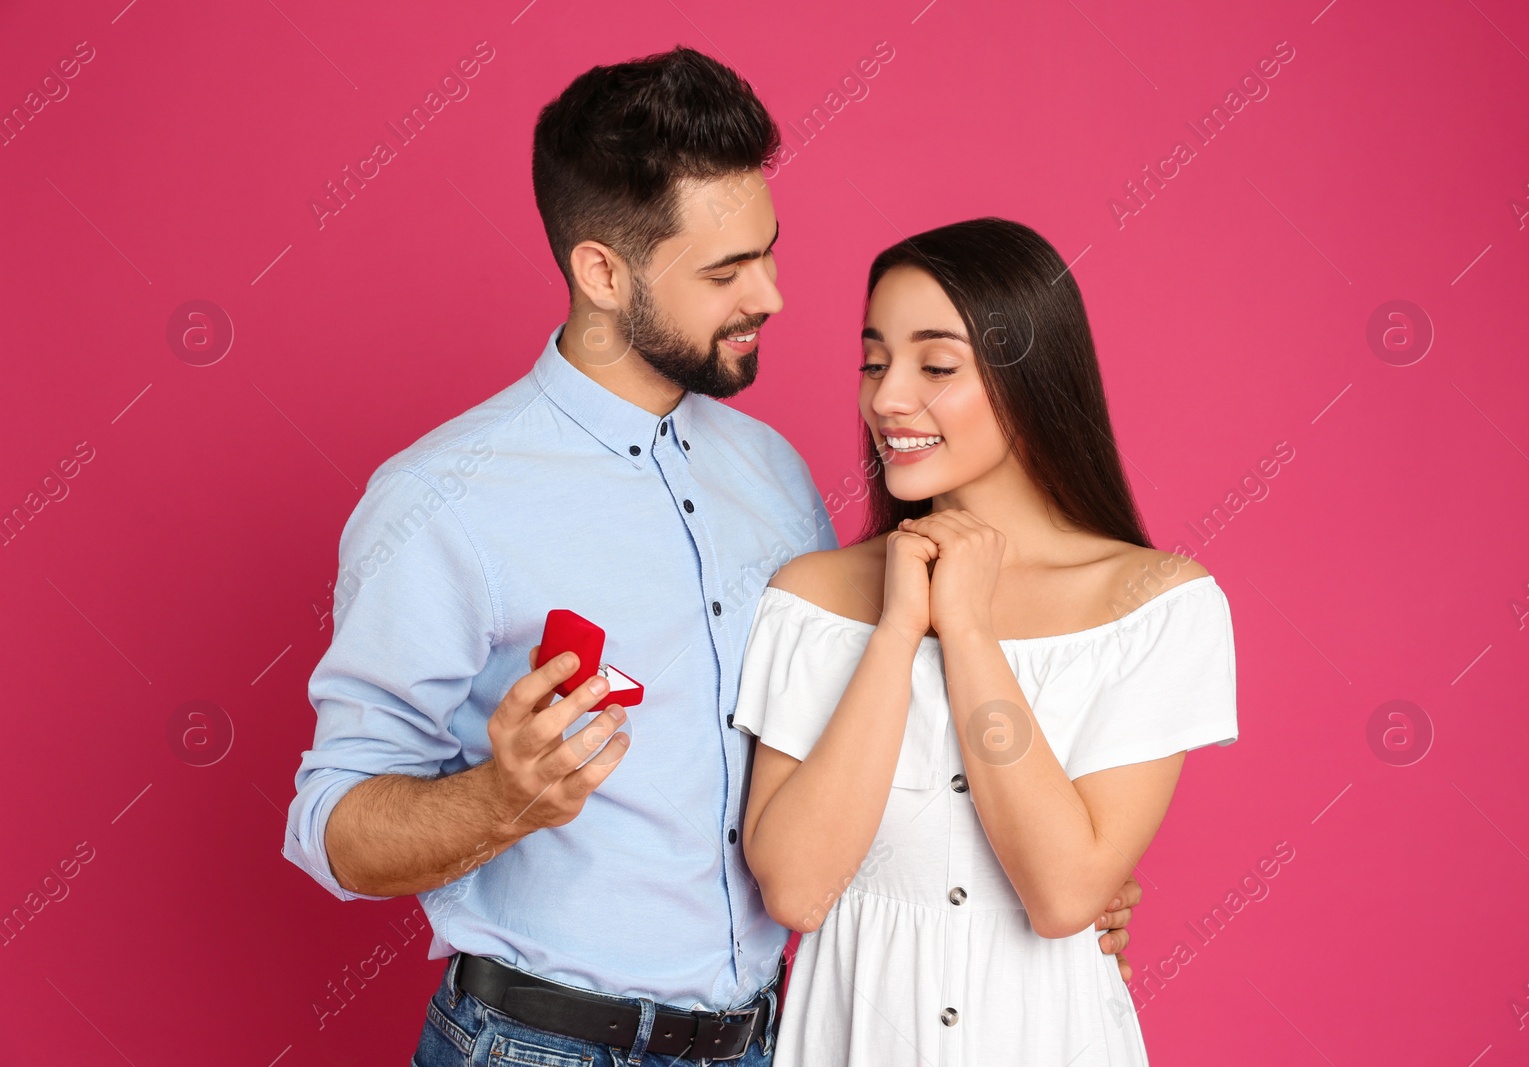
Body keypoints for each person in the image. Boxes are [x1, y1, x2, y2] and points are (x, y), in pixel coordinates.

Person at [281, 48, 1139, 1067]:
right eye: (726, 271)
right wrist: (497, 799)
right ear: (603, 271)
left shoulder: (773, 476)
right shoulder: (442, 502)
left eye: (768, 252)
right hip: (536, 1043)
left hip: (768, 1039)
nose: (773, 294)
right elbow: (331, 820)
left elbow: (850, 746)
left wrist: (1038, 883)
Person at [732, 217, 1239, 1065]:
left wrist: (965, 628)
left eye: (935, 366)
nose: (888, 397)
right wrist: (899, 627)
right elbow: (794, 885)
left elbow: (1064, 891)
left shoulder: (1157, 605)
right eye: (873, 361)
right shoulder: (811, 597)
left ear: (1030, 376)